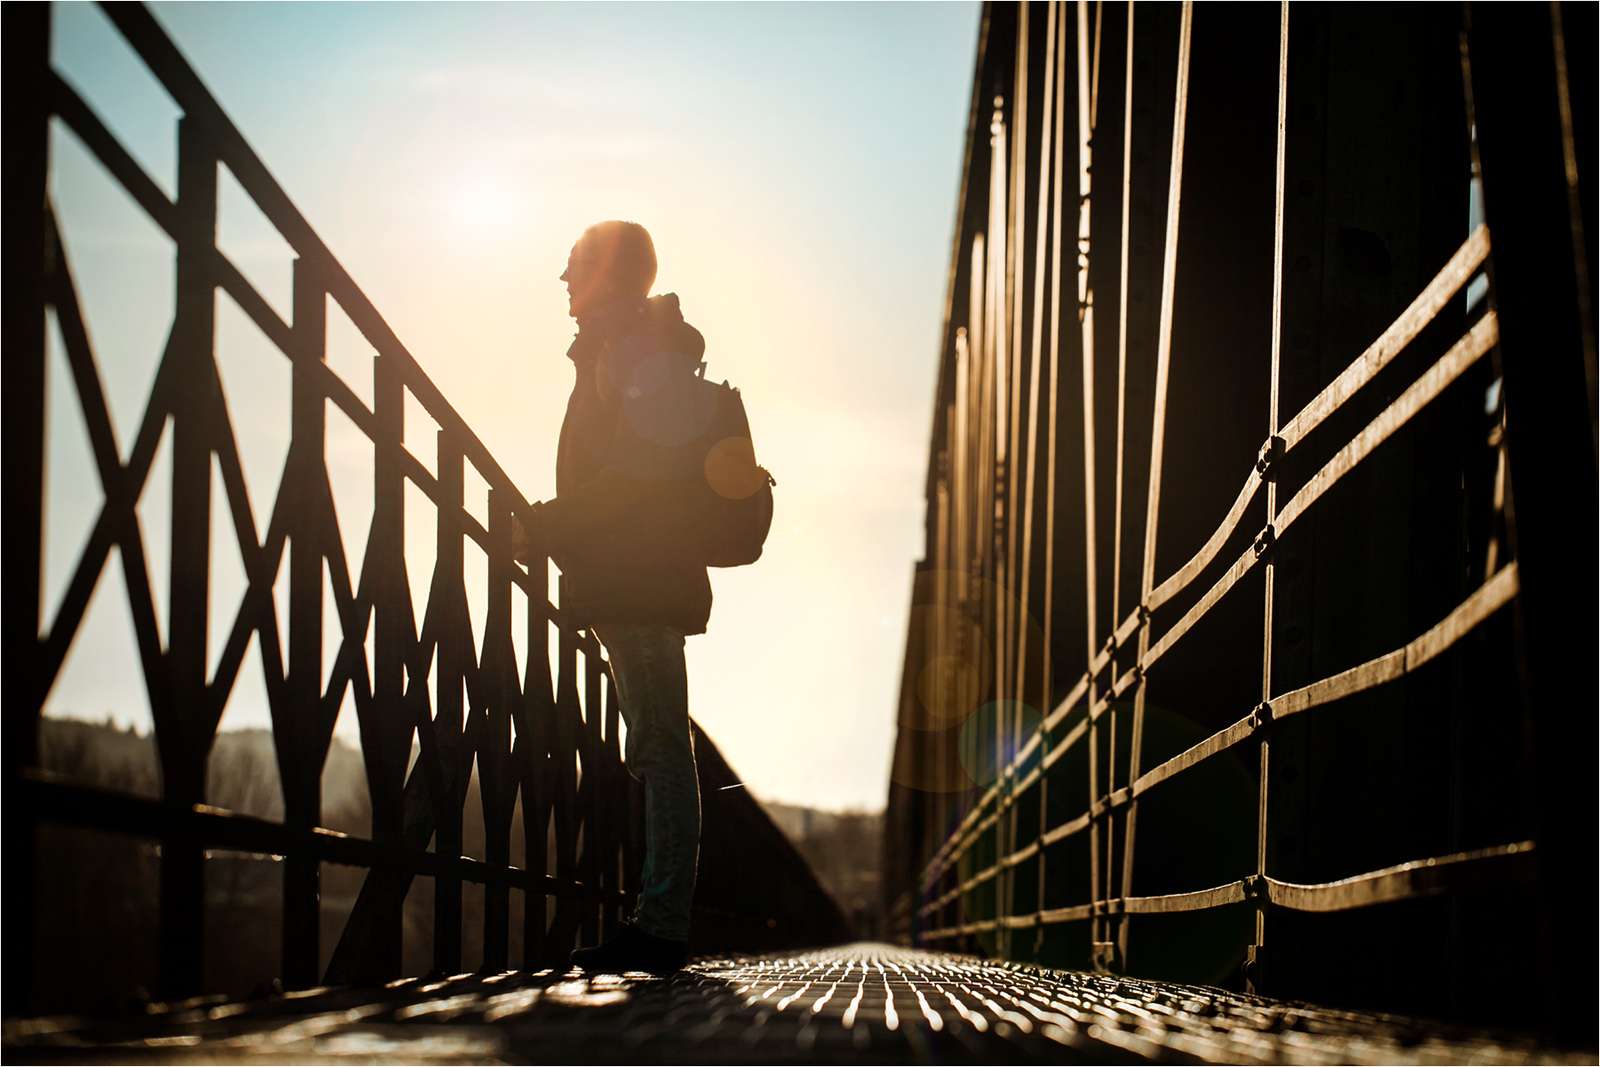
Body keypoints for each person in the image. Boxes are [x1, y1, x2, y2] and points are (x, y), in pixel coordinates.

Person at [515, 220, 709, 975]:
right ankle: (658, 919)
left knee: (660, 748)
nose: (563, 280)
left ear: (608, 274)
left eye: (573, 266)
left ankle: (660, 926)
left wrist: (547, 521)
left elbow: (640, 475)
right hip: (636, 576)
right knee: (658, 747)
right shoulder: (621, 347)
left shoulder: (631, 348)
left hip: (642, 577)